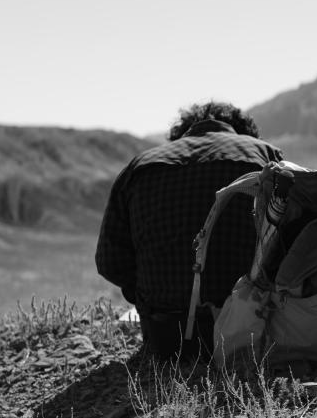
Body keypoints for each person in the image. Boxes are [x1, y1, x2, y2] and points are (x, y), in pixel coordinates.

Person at [95, 102, 283, 359]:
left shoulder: (140, 167)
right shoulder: (265, 157)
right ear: (244, 134)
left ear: (181, 135)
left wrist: (147, 296)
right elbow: (297, 243)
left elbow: (110, 263)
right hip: (253, 332)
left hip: (166, 338)